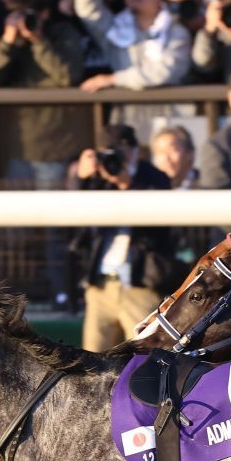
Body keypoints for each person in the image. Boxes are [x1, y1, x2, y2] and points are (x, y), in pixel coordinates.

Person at [68, 124, 178, 352]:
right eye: (109, 151)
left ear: (136, 150)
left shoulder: (154, 177)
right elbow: (74, 215)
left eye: (122, 149)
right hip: (100, 286)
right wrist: (80, 177)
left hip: (139, 285)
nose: (117, 157)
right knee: (93, 357)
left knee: (146, 353)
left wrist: (127, 184)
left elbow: (159, 219)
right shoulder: (98, 179)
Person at [0, 0, 86, 189]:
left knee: (51, 217)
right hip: (16, 146)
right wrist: (7, 44)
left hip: (53, 147)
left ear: (45, 14)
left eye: (27, 14)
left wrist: (38, 40)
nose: (23, 21)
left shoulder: (62, 33)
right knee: (17, 218)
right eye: (16, 15)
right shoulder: (10, 41)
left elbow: (68, 76)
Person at [150, 125, 198, 189]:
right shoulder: (149, 188)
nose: (166, 158)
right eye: (160, 152)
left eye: (172, 150)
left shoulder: (208, 185)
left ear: (190, 154)